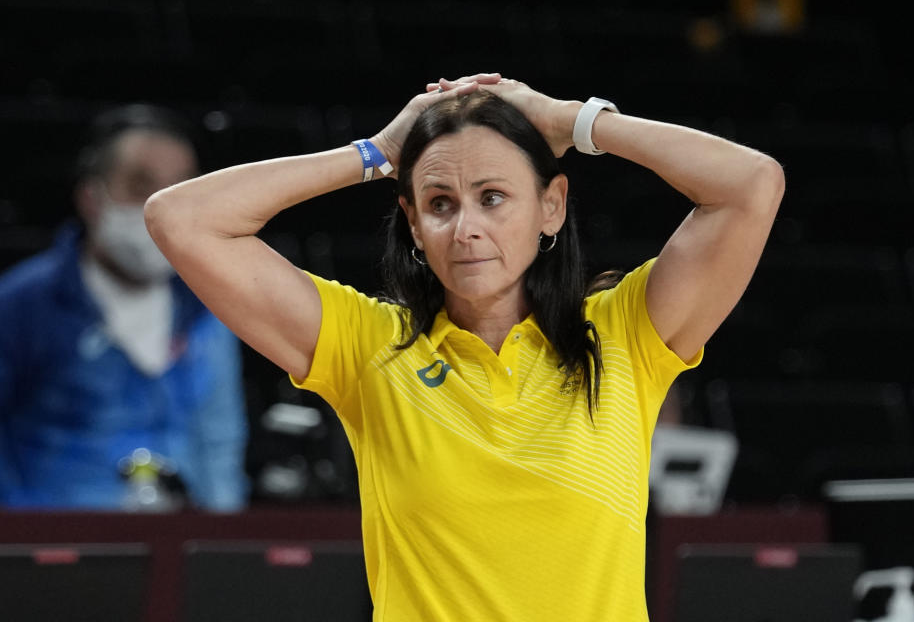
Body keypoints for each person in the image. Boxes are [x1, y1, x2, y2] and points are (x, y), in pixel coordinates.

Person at [145, 73, 784, 620]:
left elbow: (751, 184)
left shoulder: (625, 335)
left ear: (552, 206)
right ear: (414, 225)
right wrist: (377, 152)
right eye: (440, 203)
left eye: (494, 197)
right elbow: (181, 219)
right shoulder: (368, 347)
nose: (467, 229)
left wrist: (574, 121)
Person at [0, 104, 248, 511]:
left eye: (180, 190)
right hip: (57, 556)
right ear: (91, 198)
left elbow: (220, 443)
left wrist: (218, 557)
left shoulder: (212, 307)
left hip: (180, 553)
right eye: (140, 187)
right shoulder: (21, 304)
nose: (161, 209)